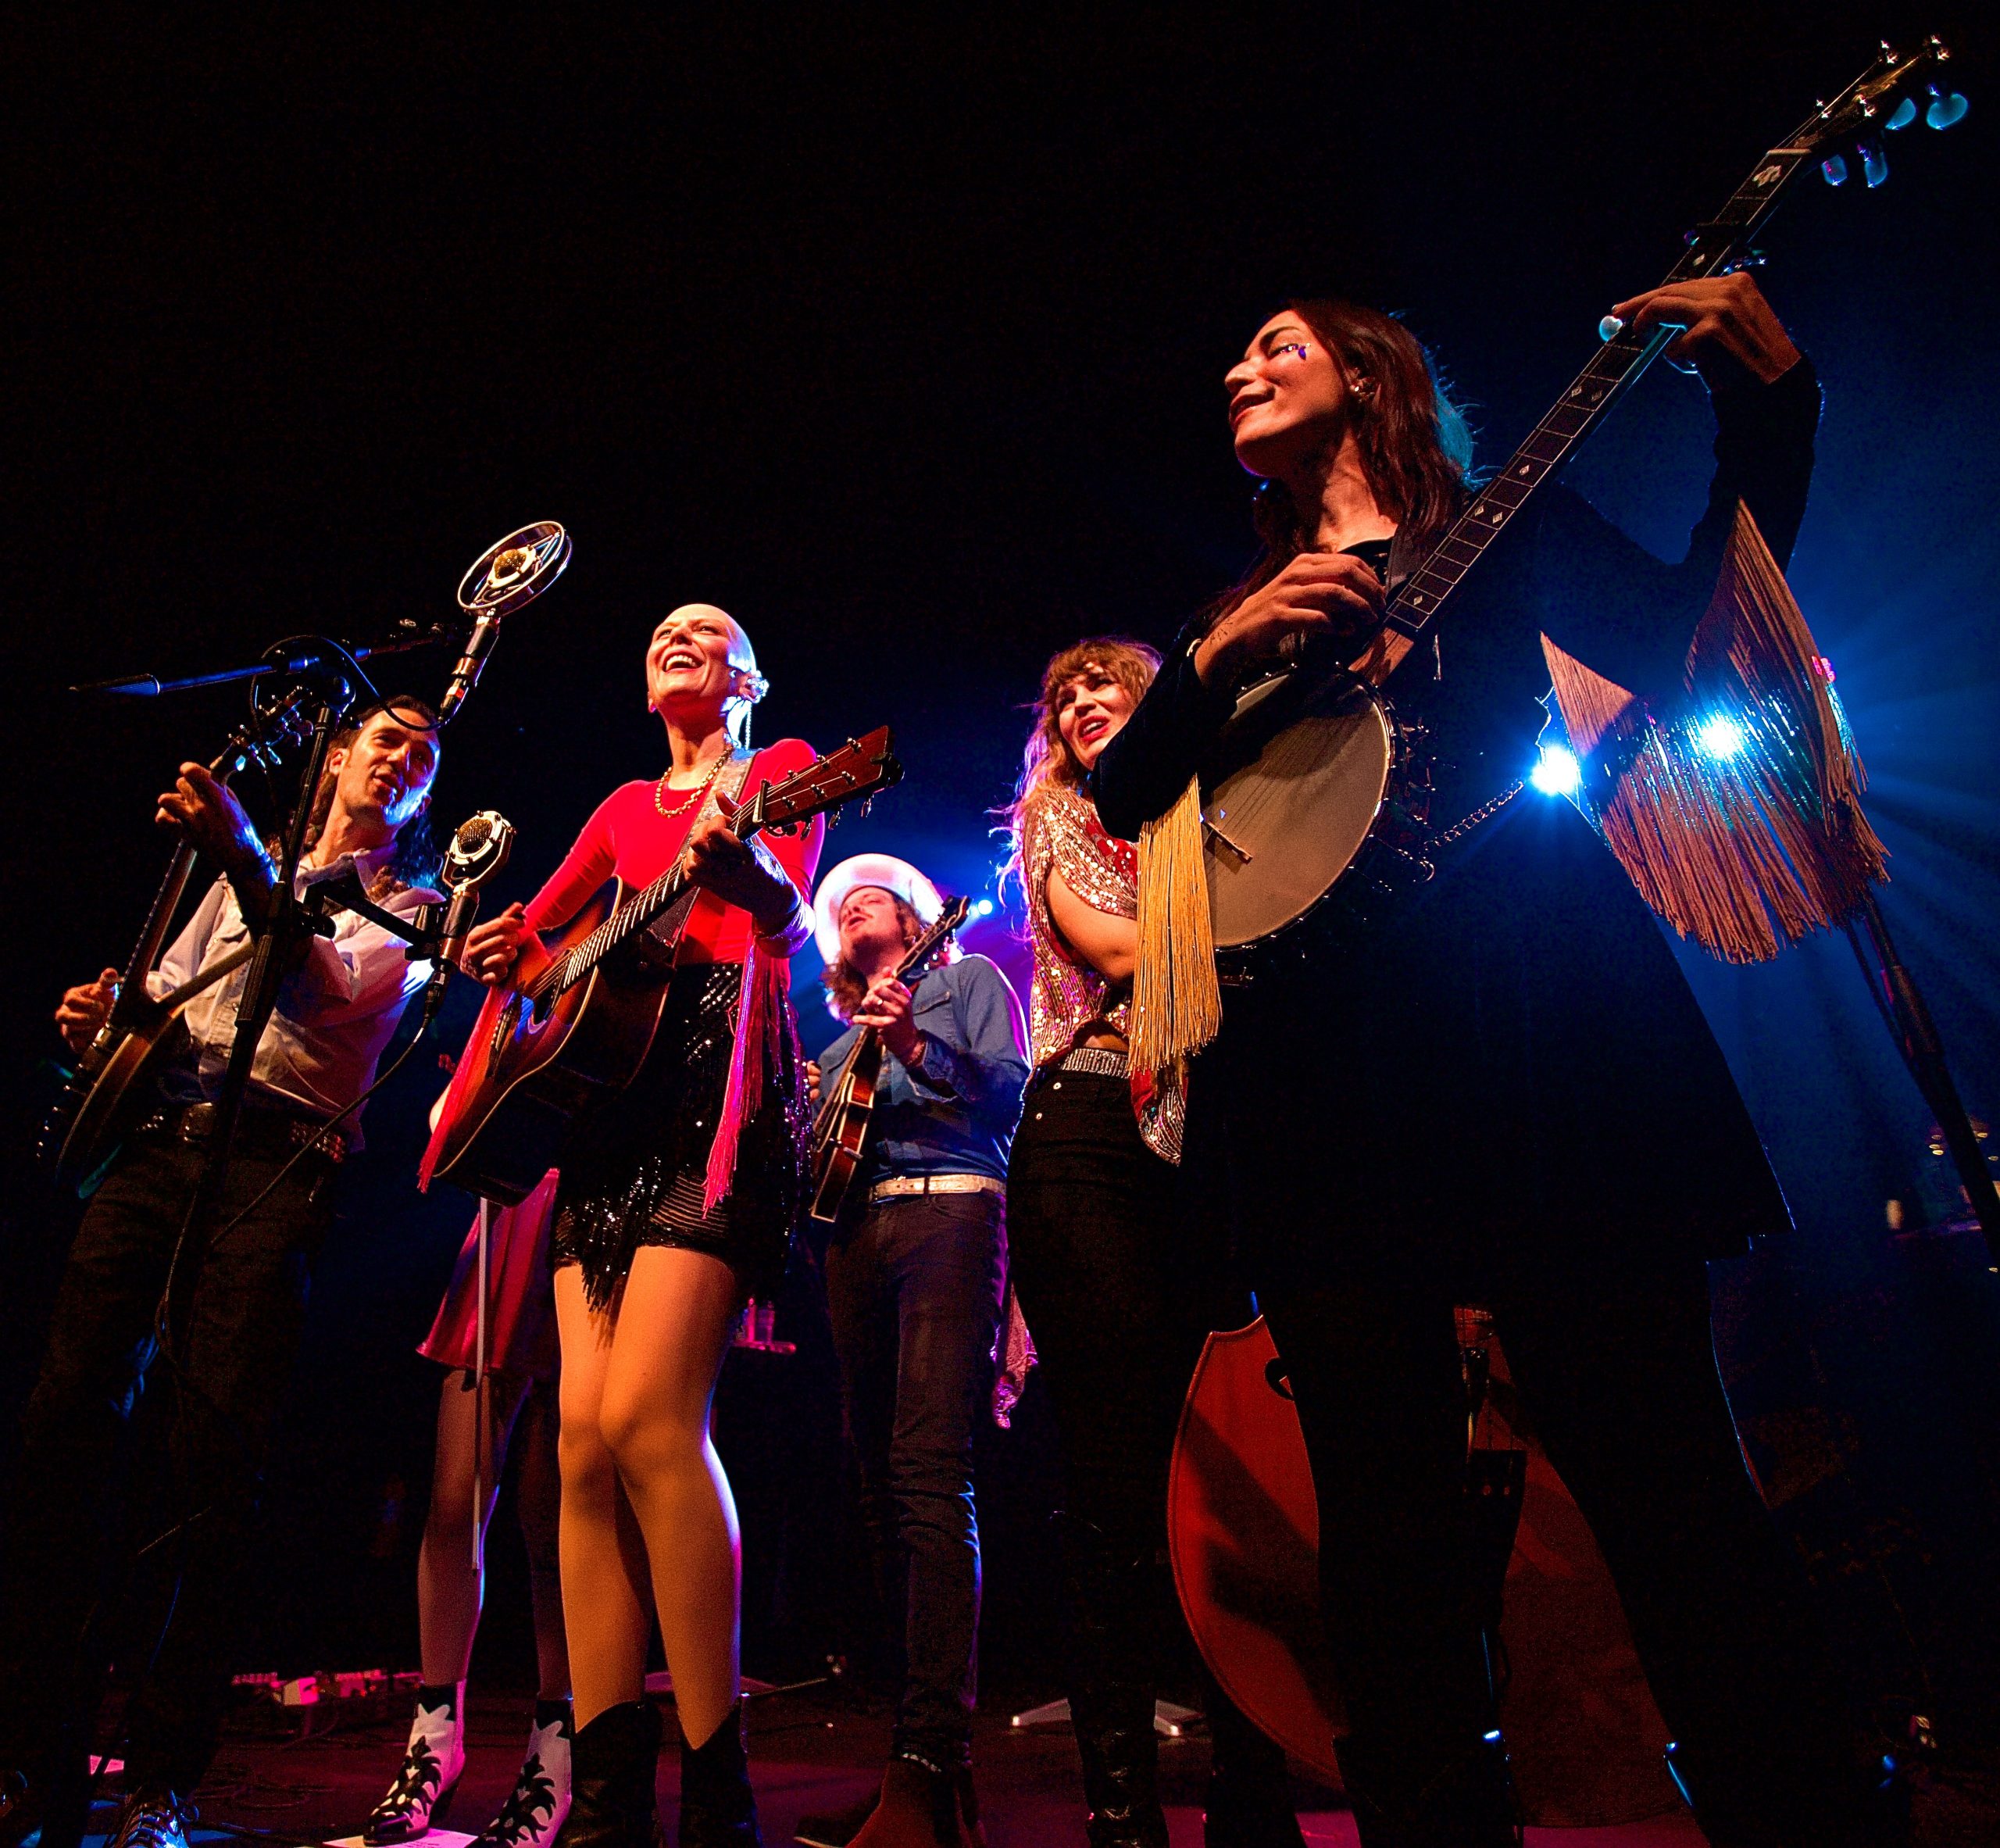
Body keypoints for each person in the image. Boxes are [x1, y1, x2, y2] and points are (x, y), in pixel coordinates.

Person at [1089, 277, 1895, 1844]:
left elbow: (1675, 641)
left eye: (1282, 340)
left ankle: (1793, 1810)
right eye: (1236, 344)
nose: (1239, 361)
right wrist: (1219, 650)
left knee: (1655, 1459)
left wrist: (1764, 407)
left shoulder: (1505, 520)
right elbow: (1127, 796)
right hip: (1323, 1055)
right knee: (1377, 1520)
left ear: (1372, 373)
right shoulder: (1234, 607)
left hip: (1529, 999)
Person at [0, 699, 445, 1848]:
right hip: (159, 1149)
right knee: (61, 1427)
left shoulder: (407, 905)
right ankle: (24, 1750)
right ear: (336, 756)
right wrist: (108, 1024)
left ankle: (162, 1773)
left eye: (421, 754)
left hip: (275, 1165)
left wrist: (247, 856)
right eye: (382, 738)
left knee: (209, 1464)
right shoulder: (252, 866)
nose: (398, 757)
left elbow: (329, 992)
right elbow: (177, 1004)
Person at [457, 603, 823, 1848]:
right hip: (606, 1113)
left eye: (713, 633)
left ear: (746, 675)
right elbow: (541, 939)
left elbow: (787, 922)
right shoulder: (621, 808)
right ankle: (609, 1791)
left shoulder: (779, 773)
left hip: (711, 1087)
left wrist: (755, 875)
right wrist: (509, 947)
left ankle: (718, 1789)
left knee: (648, 1420)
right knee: (576, 1446)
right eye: (665, 629)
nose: (681, 637)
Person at [1002, 638, 1305, 1848]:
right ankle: (1124, 1807)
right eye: (1060, 693)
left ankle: (1254, 1789)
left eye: (1104, 687)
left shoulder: (1222, 813)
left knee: (1237, 1466)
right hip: (1092, 1131)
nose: (1078, 702)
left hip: (1220, 1130)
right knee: (1118, 1477)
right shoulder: (1061, 818)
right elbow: (1125, 951)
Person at [794, 854, 1028, 1848]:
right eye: (840, 903)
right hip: (854, 1239)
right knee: (876, 1492)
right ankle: (918, 1767)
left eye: (876, 893)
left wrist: (917, 1046)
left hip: (949, 1216)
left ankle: (931, 1764)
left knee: (931, 1476)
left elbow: (1008, 1097)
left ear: (922, 917)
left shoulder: (966, 980)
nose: (853, 901)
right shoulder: (829, 1038)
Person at [362, 1171, 572, 1848]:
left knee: (552, 1515)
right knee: (454, 1500)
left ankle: (556, 1750)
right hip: (511, 1211)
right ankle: (435, 1733)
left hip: (593, 1214)